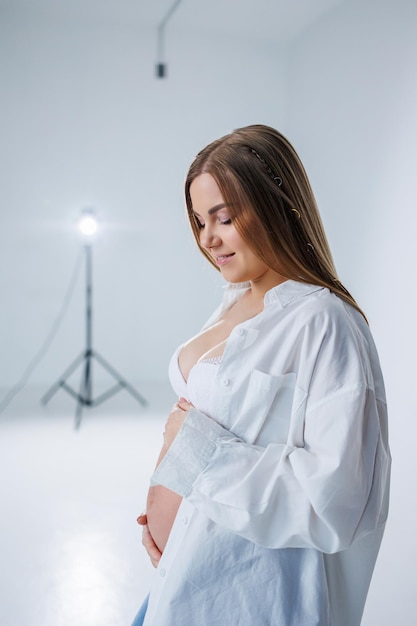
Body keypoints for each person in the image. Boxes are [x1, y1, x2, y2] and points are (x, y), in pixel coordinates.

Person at [131, 124, 391, 626]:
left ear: (278, 204)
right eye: (198, 221)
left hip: (244, 594)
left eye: (223, 217)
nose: (208, 238)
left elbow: (336, 501)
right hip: (181, 571)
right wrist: (170, 508)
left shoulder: (325, 322)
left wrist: (195, 453)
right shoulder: (235, 303)